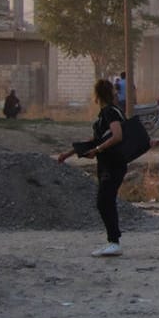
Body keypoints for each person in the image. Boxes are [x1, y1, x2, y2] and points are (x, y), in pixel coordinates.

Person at [54, 79, 129, 258]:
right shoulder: (106, 113)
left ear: (97, 95)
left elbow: (117, 136)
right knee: (105, 201)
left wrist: (97, 150)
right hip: (108, 164)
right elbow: (95, 139)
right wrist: (69, 153)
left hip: (113, 164)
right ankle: (113, 241)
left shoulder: (110, 112)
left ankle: (114, 242)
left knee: (104, 201)